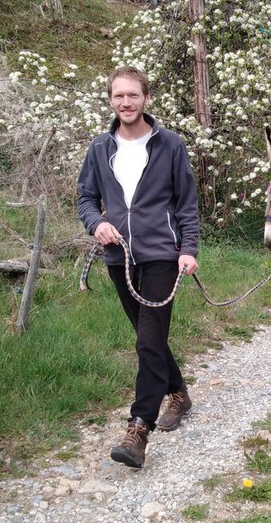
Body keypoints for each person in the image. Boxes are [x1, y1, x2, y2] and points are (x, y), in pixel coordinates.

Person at [77, 66, 201, 468]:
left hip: (164, 255)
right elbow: (85, 199)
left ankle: (138, 429)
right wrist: (98, 224)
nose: (126, 103)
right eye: (119, 96)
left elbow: (186, 204)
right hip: (120, 257)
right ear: (111, 100)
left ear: (146, 98)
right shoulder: (100, 148)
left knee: (148, 341)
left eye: (133, 95)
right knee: (150, 338)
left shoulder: (170, 145)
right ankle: (178, 393)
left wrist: (188, 248)